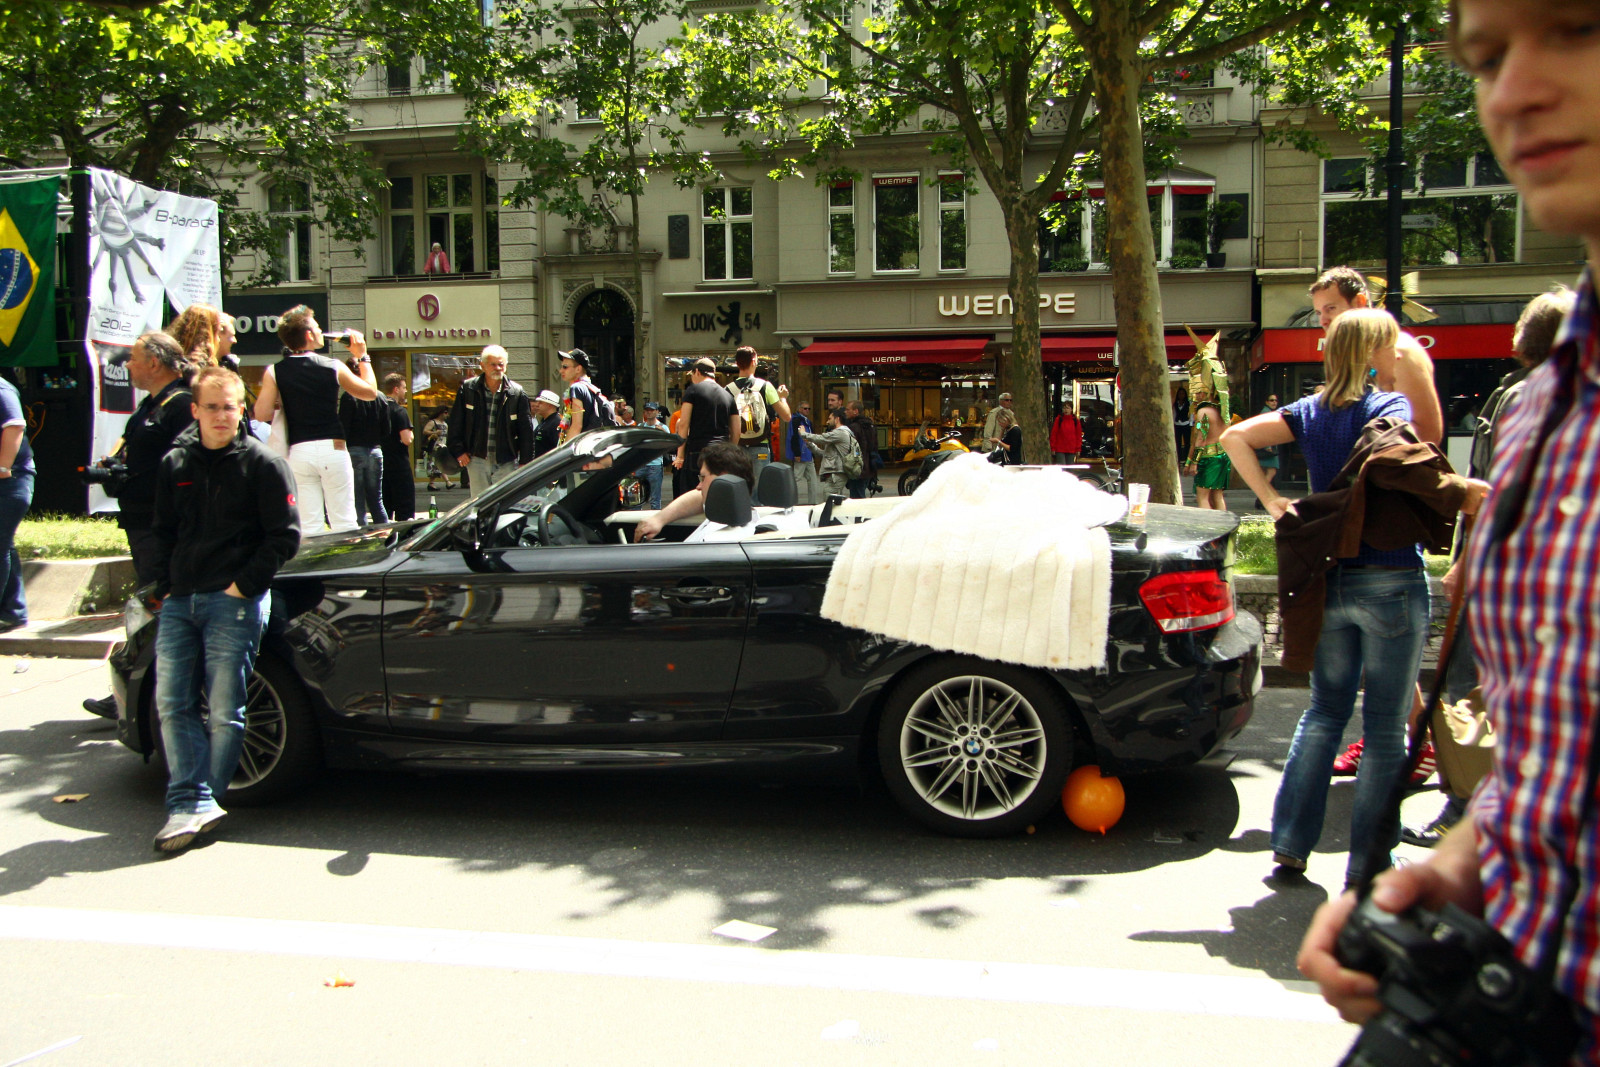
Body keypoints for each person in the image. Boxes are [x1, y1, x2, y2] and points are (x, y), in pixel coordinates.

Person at [1301, 8, 1600, 1052]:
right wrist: (1466, 864)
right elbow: (1559, 752)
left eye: (1577, 27)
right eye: (1485, 56)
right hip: (1496, 999)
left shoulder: (1425, 380)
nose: (1511, 92)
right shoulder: (1544, 405)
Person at [1221, 308, 1489, 893]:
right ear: (1372, 353)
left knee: (1323, 713)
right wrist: (1461, 492)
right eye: (1392, 348)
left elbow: (1233, 437)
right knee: (1387, 728)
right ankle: (1369, 863)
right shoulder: (1388, 408)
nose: (1397, 357)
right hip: (1390, 577)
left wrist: (1269, 499)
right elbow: (1403, 460)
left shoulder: (1309, 412)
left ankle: (1290, 844)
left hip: (1330, 579)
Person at [147, 366, 300, 852]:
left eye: (229, 407)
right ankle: (194, 805)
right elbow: (161, 531)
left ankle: (194, 803)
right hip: (181, 600)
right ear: (195, 410)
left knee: (223, 709)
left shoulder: (263, 464)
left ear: (241, 410)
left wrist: (242, 588)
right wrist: (166, 586)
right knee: (173, 704)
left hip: (233, 602)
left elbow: (285, 537)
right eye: (211, 407)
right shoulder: (176, 463)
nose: (220, 416)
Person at [81, 332, 197, 718]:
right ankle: (135, 692)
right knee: (148, 610)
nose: (127, 364)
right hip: (141, 521)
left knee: (158, 609)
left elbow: (188, 467)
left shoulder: (180, 405)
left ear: (154, 363)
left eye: (133, 357)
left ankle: (147, 696)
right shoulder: (149, 406)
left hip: (164, 526)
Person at [252, 306, 377, 536]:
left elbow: (261, 414)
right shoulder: (332, 366)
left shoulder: (275, 371)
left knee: (309, 526)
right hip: (333, 447)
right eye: (318, 327)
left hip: (299, 450)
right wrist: (362, 356)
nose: (322, 332)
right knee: (345, 522)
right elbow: (370, 392)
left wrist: (282, 400)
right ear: (309, 335)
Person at [1310, 266, 1444, 446]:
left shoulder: (1399, 349)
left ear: (1359, 302)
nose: (1323, 321)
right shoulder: (1351, 354)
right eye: (1319, 312)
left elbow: (1428, 433)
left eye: (1331, 308)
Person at [448, 345, 535, 492]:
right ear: (482, 366)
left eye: (501, 364)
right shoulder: (468, 389)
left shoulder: (516, 393)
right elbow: (456, 422)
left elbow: (526, 430)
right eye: (493, 364)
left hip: (507, 460)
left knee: (505, 500)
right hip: (476, 459)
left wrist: (525, 461)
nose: (497, 368)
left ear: (506, 365)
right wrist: (458, 450)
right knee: (480, 501)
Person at [633, 440, 754, 542]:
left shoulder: (718, 540)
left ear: (724, 480)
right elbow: (698, 498)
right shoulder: (733, 514)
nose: (698, 487)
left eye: (703, 478)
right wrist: (659, 519)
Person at [672, 357, 737, 499]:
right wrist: (731, 450)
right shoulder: (728, 395)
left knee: (692, 495)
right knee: (720, 493)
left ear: (696, 372)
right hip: (722, 452)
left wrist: (680, 455)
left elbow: (683, 424)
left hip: (697, 451)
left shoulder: (692, 391)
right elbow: (736, 429)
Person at [0, 370, 33, 634]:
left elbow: (15, 425)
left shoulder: (2, 390)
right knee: (4, 544)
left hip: (10, 481)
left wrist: (3, 467)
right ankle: (14, 611)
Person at [725, 345, 790, 476]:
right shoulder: (765, 386)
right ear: (754, 361)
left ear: (737, 363)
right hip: (760, 446)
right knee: (759, 487)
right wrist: (783, 398)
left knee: (738, 485)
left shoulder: (728, 390)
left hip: (737, 447)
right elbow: (786, 416)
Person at [339, 385, 392, 526]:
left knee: (357, 500)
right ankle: (385, 534)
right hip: (375, 450)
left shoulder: (349, 396)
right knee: (377, 499)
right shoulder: (380, 396)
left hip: (354, 448)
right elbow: (387, 429)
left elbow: (343, 426)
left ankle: (362, 535)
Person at [1183, 387, 1230, 510]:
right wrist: (1188, 462)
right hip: (1223, 456)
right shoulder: (1222, 410)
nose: (1197, 396)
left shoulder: (1203, 412)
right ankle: (1222, 522)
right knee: (1217, 496)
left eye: (1200, 392)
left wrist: (1194, 463)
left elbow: (1200, 439)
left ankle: (1207, 522)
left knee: (1202, 497)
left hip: (1208, 458)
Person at [379, 373, 415, 522]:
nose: (405, 391)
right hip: (398, 464)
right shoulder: (399, 411)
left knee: (383, 507)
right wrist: (412, 435)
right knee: (404, 509)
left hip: (380, 463)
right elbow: (407, 439)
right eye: (404, 388)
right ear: (396, 389)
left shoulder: (378, 408)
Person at [799, 407, 858, 497]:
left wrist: (804, 434)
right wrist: (809, 444)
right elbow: (824, 454)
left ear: (837, 419)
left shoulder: (841, 433)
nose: (827, 422)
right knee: (833, 500)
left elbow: (821, 438)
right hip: (835, 474)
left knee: (829, 499)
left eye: (830, 419)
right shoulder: (840, 434)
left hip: (837, 474)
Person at [556, 348, 612, 442]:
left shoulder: (576, 388)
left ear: (578, 369)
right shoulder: (589, 387)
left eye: (565, 367)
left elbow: (576, 426)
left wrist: (564, 449)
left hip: (582, 445)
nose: (561, 371)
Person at [166, 304, 234, 368]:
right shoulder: (200, 364)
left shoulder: (170, 357)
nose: (219, 340)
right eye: (217, 333)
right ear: (207, 334)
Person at [787, 399, 822, 505]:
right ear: (799, 409)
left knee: (812, 479)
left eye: (808, 409)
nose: (807, 410)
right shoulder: (796, 420)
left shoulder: (807, 421)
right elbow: (793, 437)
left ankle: (813, 502)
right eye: (805, 408)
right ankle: (794, 502)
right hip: (801, 454)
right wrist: (797, 453)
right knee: (798, 478)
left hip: (808, 453)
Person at [636, 400, 667, 509]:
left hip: (655, 466)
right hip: (641, 465)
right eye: (647, 410)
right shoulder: (640, 426)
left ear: (657, 412)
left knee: (655, 498)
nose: (649, 412)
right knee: (637, 497)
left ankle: (656, 517)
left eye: (652, 410)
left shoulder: (662, 427)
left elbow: (669, 445)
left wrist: (663, 432)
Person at [843, 399, 877, 498]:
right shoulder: (870, 425)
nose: (845, 412)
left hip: (857, 468)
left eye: (848, 409)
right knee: (860, 493)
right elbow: (874, 446)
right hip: (869, 466)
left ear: (856, 411)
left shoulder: (854, 427)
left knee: (857, 497)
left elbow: (854, 448)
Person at [1254, 394, 1282, 507]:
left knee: (1267, 472)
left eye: (1275, 400)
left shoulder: (1268, 412)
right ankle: (1261, 498)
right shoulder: (1266, 413)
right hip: (1268, 448)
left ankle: (1261, 498)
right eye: (1271, 400)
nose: (1274, 402)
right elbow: (1264, 430)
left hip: (1268, 446)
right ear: (1266, 402)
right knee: (1271, 472)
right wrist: (1267, 446)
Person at [530, 388, 562, 457]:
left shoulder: (556, 423)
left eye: (540, 402)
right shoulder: (544, 421)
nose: (537, 405)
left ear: (549, 405)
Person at [1172, 386, 1192, 459]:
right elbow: (1174, 413)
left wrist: (1191, 423)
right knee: (1178, 443)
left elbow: (1191, 414)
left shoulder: (1189, 403)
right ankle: (1179, 458)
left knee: (1187, 443)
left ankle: (1187, 458)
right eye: (1180, 394)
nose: (1181, 395)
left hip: (1186, 424)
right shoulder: (1175, 404)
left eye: (1183, 394)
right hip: (1177, 424)